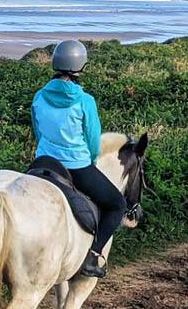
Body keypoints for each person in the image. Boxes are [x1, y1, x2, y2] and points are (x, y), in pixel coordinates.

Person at [32, 40, 125, 279]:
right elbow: (93, 140)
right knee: (117, 204)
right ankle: (94, 256)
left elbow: (38, 131)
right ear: (81, 66)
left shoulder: (39, 96)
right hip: (76, 166)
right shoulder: (85, 101)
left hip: (43, 163)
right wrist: (92, 159)